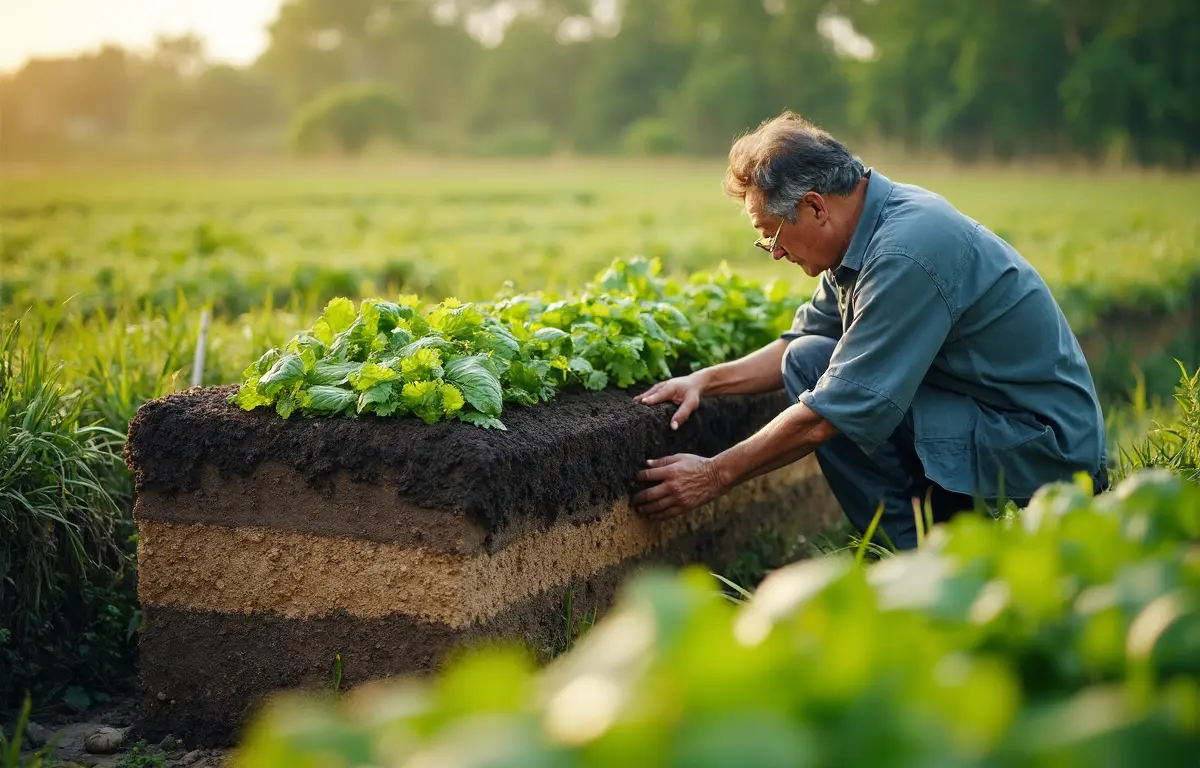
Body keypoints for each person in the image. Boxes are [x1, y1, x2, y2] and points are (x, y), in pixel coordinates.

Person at [631, 111, 1108, 550]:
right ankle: (939, 536)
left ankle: (920, 563)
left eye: (771, 233)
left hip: (1041, 444)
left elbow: (832, 413)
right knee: (808, 359)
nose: (773, 252)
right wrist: (704, 381)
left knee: (838, 397)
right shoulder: (867, 227)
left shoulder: (903, 253)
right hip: (986, 415)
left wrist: (713, 476)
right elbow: (800, 343)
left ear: (816, 207)